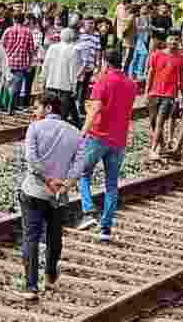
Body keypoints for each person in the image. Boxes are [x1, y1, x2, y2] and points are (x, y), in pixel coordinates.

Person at [17, 93, 82, 302]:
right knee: (55, 236)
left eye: (37, 107)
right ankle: (50, 274)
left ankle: (31, 286)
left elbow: (31, 160)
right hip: (58, 195)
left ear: (48, 108)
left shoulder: (35, 128)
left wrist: (47, 180)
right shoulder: (75, 132)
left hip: (34, 190)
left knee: (31, 238)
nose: (34, 112)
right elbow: (79, 164)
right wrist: (66, 183)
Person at [75, 50, 138, 241]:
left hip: (98, 136)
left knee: (83, 173)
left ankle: (88, 211)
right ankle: (106, 229)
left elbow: (95, 108)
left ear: (105, 62)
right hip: (119, 139)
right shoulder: (131, 84)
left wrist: (82, 132)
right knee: (111, 184)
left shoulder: (103, 80)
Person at [146, 35, 183, 157]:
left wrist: (182, 96)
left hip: (169, 94)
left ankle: (153, 149)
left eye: (176, 39)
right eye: (171, 39)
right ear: (166, 41)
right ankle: (162, 146)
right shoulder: (156, 54)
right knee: (153, 122)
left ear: (179, 42)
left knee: (160, 122)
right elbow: (151, 72)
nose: (173, 42)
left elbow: (181, 78)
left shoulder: (181, 58)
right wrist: (147, 92)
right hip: (154, 92)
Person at [42, 28, 81, 124]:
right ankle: (75, 124)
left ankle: (77, 122)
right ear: (72, 37)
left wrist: (44, 79)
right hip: (65, 86)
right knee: (61, 113)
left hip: (51, 83)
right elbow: (73, 71)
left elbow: (45, 66)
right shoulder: (73, 50)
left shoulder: (52, 48)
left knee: (50, 110)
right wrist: (74, 87)